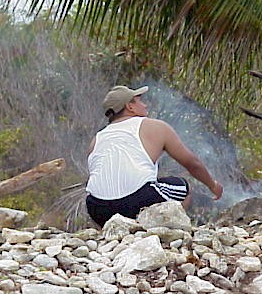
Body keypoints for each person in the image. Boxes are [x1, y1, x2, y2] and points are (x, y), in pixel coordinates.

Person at [85, 85, 223, 227]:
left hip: (97, 208)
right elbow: (192, 163)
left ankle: (113, 236)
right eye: (139, 101)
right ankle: (171, 230)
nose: (145, 105)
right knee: (184, 188)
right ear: (129, 106)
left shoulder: (96, 139)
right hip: (139, 200)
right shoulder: (155, 127)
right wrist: (213, 185)